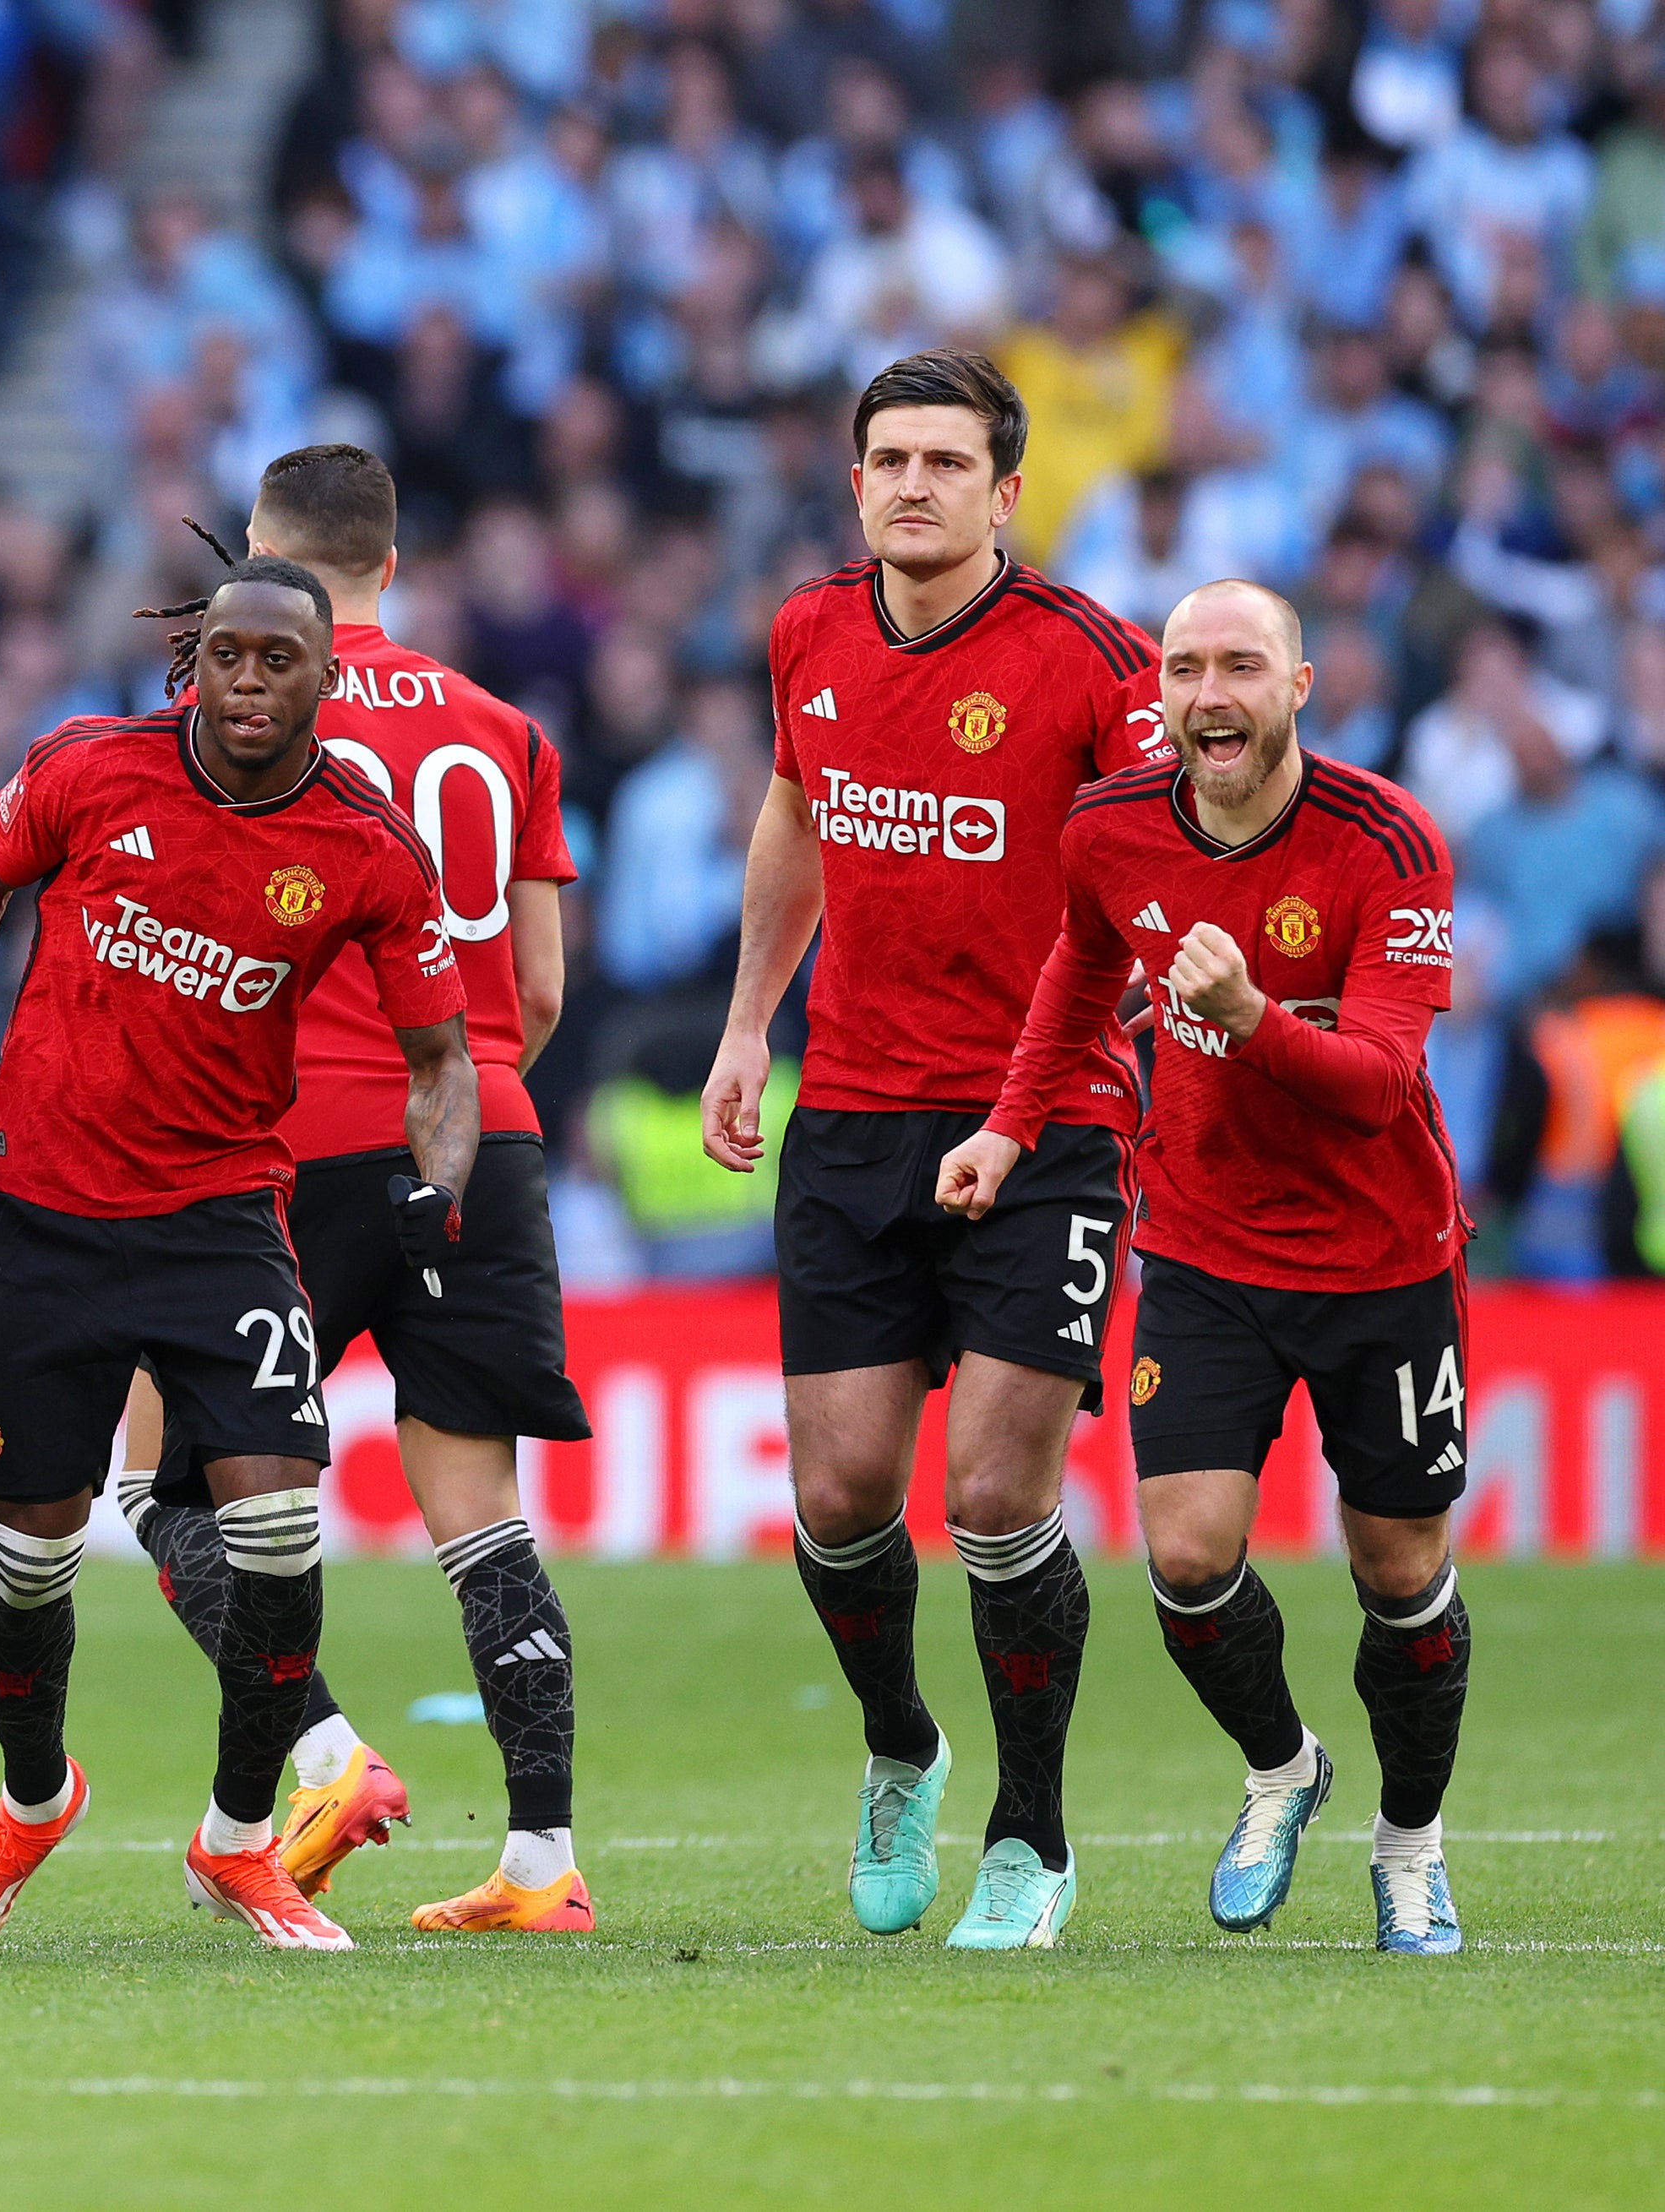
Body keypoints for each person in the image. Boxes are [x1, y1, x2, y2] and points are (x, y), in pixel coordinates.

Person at [0, 556, 475, 1954]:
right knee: (31, 1556)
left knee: (279, 1529)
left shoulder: (364, 847)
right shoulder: (87, 770)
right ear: (192, 662)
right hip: (48, 1211)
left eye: (278, 661)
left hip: (223, 1220)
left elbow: (442, 1060)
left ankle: (242, 1837)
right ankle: (31, 1802)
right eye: (227, 657)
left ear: (326, 677)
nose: (248, 683)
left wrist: (437, 1190)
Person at [700, 349, 1171, 1951]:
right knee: (838, 1497)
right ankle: (902, 1744)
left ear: (1005, 490)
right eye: (888, 459)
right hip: (849, 1115)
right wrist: (750, 1019)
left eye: (945, 463)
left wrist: (1031, 1109)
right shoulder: (810, 630)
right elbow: (795, 815)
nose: (912, 484)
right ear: (856, 482)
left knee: (991, 1495)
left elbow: (1144, 882)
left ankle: (1031, 1837)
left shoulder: (1094, 662)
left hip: (1044, 1126)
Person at [939, 581, 1476, 1956]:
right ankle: (1286, 1767)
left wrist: (1241, 1013)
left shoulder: (1388, 841)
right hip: (1199, 1244)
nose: (1208, 694)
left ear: (1302, 686)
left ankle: (1410, 1848)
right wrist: (1008, 1128)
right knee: (1184, 1561)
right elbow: (1075, 974)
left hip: (1381, 1259)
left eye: (1242, 666)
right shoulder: (1110, 826)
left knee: (1399, 1575)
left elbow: (1376, 1084)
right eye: (1185, 668)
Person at [117, 447, 594, 1934]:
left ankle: (325, 1752)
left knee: (162, 1476)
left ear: (261, 554)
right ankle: (540, 1865)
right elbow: (538, 987)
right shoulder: (503, 728)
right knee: (483, 1517)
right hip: (486, 1138)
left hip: (283, 1147)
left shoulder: (232, 710)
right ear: (394, 562)